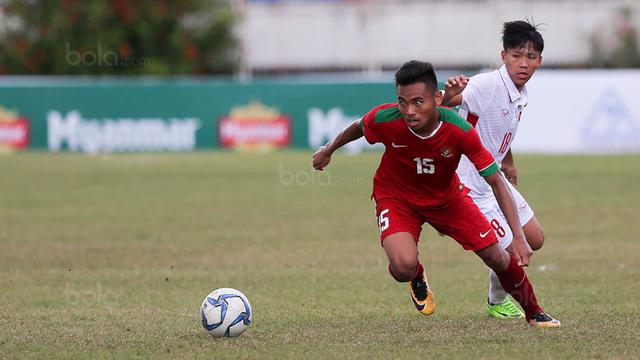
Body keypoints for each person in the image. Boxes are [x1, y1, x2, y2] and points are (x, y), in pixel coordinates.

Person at [312, 60, 560, 328]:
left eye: (418, 102)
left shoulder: (458, 130)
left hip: (447, 199)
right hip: (397, 197)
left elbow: (497, 181)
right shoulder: (387, 119)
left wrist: (519, 237)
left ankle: (534, 312)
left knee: (498, 256)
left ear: (437, 98)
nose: (409, 111)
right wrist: (328, 149)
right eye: (402, 102)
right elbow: (360, 126)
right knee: (401, 267)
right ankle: (416, 275)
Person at [441, 20, 546, 319]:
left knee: (534, 239)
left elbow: (498, 129)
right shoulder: (488, 85)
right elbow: (450, 105)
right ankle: (499, 301)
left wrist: (507, 159)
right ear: (503, 56)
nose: (523, 64)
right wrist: (450, 93)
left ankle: (494, 295)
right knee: (513, 251)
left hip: (493, 177)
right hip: (469, 184)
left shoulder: (519, 92)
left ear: (540, 60)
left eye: (530, 57)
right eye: (516, 56)